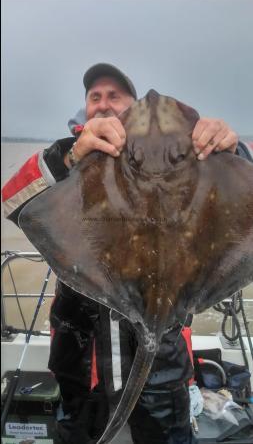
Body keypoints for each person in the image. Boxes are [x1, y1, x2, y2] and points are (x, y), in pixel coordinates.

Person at [2, 63, 252, 444]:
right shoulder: (72, 160)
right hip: (82, 366)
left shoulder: (197, 159)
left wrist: (235, 153)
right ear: (85, 108)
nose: (102, 103)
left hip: (164, 367)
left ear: (129, 109)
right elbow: (15, 207)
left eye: (114, 96)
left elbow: (242, 211)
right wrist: (69, 155)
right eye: (94, 96)